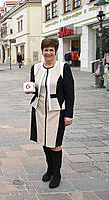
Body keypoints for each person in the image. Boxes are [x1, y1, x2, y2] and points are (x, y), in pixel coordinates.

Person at [27, 38, 74, 188]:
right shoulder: (35, 68)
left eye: (51, 50)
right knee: (44, 140)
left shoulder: (63, 67)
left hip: (57, 111)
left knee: (55, 143)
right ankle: (49, 169)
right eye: (46, 50)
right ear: (42, 51)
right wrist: (30, 90)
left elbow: (70, 93)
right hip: (39, 110)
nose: (48, 53)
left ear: (55, 51)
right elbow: (34, 86)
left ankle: (57, 173)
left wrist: (69, 114)